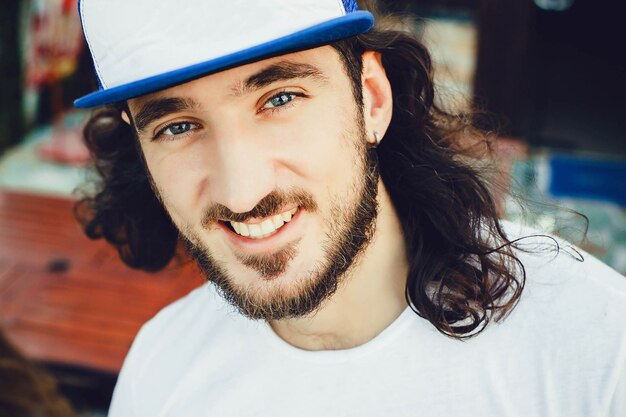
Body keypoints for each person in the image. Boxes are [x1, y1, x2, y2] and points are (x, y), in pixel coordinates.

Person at [73, 0, 626, 415]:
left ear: (372, 100)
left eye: (280, 98)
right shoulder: (162, 372)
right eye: (177, 126)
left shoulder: (593, 347)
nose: (241, 192)